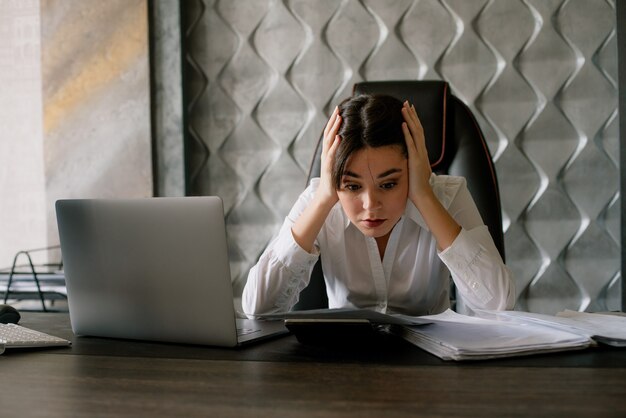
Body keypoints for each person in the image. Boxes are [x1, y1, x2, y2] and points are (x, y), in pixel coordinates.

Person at [242, 94, 515, 317]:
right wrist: (324, 198)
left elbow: (499, 305)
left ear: (412, 167)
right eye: (352, 186)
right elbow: (257, 307)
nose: (370, 205)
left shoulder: (446, 195)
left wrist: (423, 194)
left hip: (430, 369)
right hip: (345, 366)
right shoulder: (320, 197)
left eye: (388, 184)